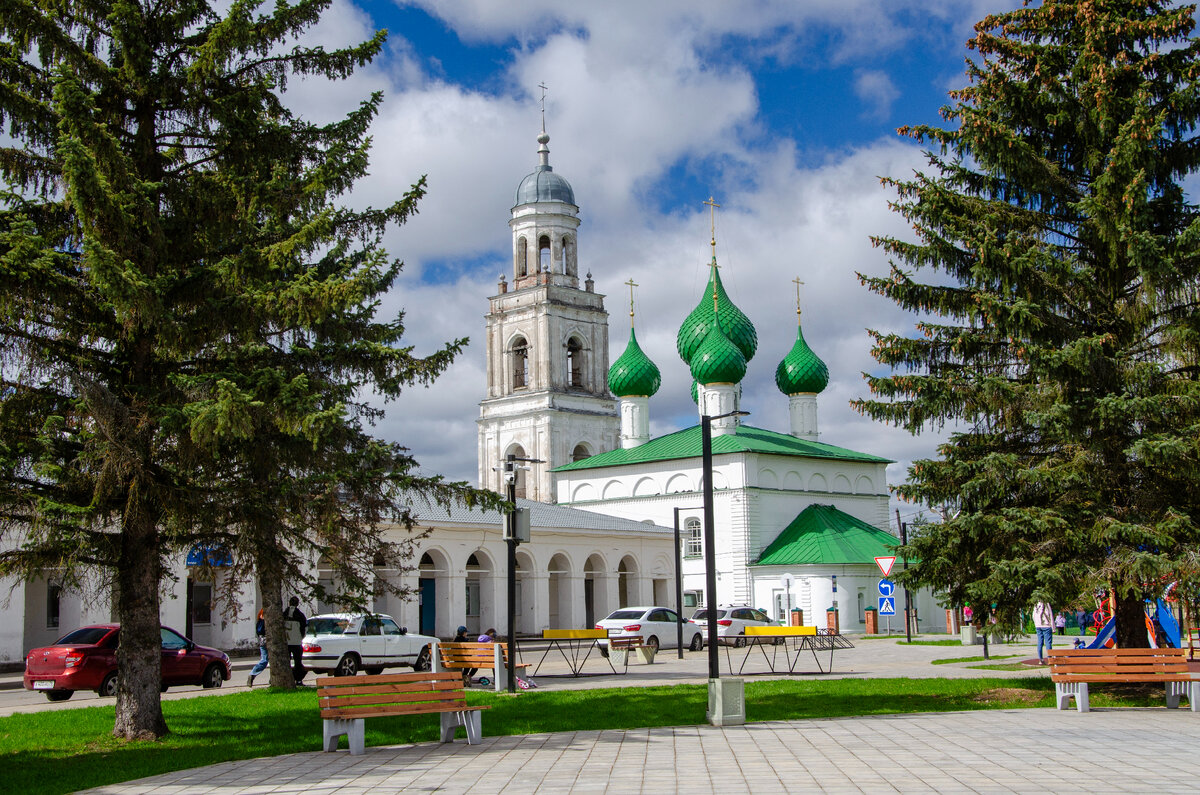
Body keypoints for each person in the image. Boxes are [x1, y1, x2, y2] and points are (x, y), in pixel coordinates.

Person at [284, 596, 307, 684]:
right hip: (296, 642)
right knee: (298, 662)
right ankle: (298, 679)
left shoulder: (284, 614)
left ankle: (287, 679)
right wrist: (300, 637)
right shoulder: (300, 615)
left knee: (286, 662)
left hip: (286, 642)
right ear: (297, 604)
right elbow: (303, 628)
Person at [247, 608, 268, 687]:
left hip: (262, 643)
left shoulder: (259, 622)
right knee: (266, 660)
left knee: (264, 660)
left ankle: (253, 674)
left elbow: (258, 633)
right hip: (267, 642)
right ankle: (252, 674)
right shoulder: (263, 622)